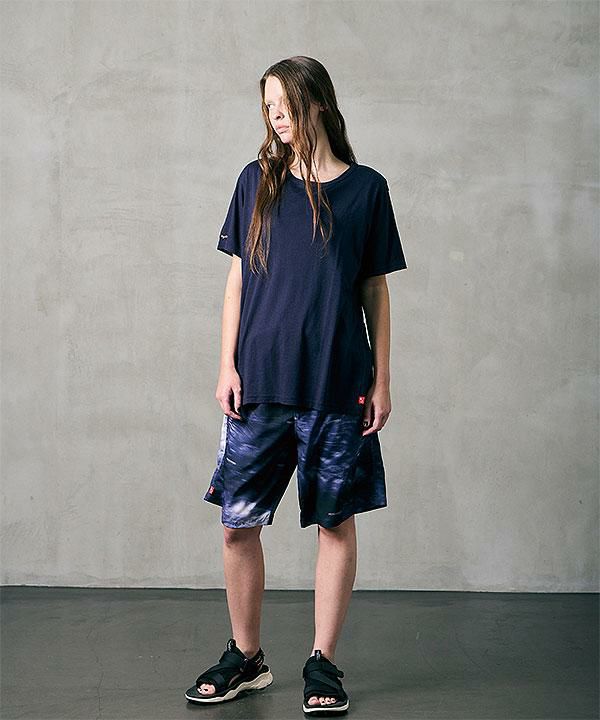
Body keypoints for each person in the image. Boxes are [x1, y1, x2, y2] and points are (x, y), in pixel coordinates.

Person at [185, 55, 407, 714]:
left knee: (334, 523)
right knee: (237, 525)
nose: (276, 118)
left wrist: (383, 378)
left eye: (285, 104)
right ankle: (246, 657)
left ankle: (323, 664)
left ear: (318, 103)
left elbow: (375, 290)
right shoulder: (257, 181)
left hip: (338, 384)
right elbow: (237, 279)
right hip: (258, 382)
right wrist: (226, 365)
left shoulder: (366, 190)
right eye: (268, 107)